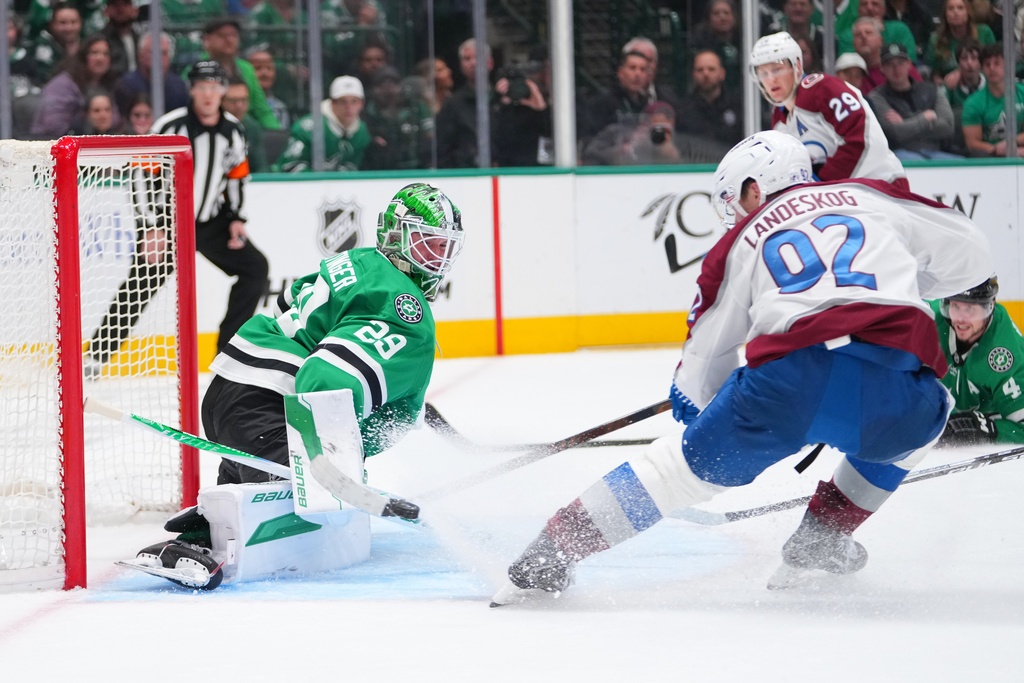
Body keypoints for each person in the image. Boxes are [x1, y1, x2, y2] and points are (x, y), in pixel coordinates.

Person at [491, 130, 994, 605]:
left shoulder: (737, 244)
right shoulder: (870, 196)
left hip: (787, 386)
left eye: (734, 201)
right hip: (896, 389)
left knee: (673, 471)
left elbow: (702, 366)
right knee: (932, 414)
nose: (734, 217)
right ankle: (824, 534)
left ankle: (548, 556)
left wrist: (709, 420)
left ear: (756, 189)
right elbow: (973, 256)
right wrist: (903, 280)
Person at [126, 182, 465, 588]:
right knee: (311, 495)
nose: (436, 260)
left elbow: (292, 310)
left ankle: (202, 530)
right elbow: (321, 380)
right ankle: (215, 549)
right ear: (395, 236)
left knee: (257, 473)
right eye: (427, 245)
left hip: (227, 390)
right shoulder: (403, 307)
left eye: (444, 248)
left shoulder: (358, 261)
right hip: (270, 406)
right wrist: (339, 458)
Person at [83, 60, 268, 376]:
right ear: (192, 90)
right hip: (168, 225)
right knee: (139, 286)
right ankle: (96, 358)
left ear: (222, 90)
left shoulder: (233, 130)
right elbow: (140, 176)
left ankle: (226, 352)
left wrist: (237, 217)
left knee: (256, 268)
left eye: (214, 87)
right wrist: (150, 227)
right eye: (202, 87)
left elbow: (237, 175)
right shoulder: (171, 126)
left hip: (211, 224)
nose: (209, 94)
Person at [751, 31, 908, 188]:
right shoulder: (779, 119)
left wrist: (822, 185)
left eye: (777, 70)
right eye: (763, 73)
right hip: (841, 199)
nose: (771, 79)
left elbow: (865, 140)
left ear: (797, 66)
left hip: (882, 187)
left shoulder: (821, 89)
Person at [930, 278, 1024, 447]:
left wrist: (986, 428)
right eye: (955, 306)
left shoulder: (1006, 355)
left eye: (970, 308)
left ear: (990, 306)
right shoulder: (931, 318)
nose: (960, 319)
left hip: (992, 420)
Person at [184, 17, 280, 130]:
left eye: (233, 35)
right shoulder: (195, 70)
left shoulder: (247, 68)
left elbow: (262, 109)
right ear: (207, 40)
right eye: (222, 36)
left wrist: (277, 133)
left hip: (244, 126)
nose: (229, 40)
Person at [867, 43, 959, 159]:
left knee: (962, 165)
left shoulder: (932, 90)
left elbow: (948, 127)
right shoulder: (877, 97)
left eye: (901, 63)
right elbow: (895, 133)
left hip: (935, 152)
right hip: (899, 154)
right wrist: (925, 117)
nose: (896, 69)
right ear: (882, 68)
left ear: (909, 64)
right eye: (890, 65)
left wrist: (905, 121)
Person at [273, 75, 371, 171]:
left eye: (354, 101)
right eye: (342, 101)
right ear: (332, 103)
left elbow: (353, 168)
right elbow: (289, 166)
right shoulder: (309, 127)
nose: (349, 107)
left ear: (362, 104)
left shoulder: (361, 132)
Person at [31, 34, 122, 137]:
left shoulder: (108, 84)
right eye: (94, 53)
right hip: (52, 143)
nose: (100, 58)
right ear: (83, 57)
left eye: (106, 54)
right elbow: (54, 125)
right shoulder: (62, 85)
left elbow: (114, 120)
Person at [435, 38, 496, 168]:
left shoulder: (502, 100)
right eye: (467, 59)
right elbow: (441, 147)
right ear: (461, 65)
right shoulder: (452, 105)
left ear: (490, 63)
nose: (473, 63)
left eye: (478, 57)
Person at [362, 66, 434, 170]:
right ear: (372, 89)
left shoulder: (416, 108)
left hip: (419, 169)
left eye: (393, 84)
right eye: (381, 85)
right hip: (380, 173)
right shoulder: (365, 115)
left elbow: (431, 138)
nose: (387, 90)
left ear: (401, 87)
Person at [579, 48, 654, 144]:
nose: (637, 74)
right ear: (620, 73)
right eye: (632, 68)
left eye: (642, 69)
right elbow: (591, 141)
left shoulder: (648, 104)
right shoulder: (603, 103)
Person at [962, 43, 1024, 157]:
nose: (992, 68)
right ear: (982, 68)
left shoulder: (1023, 93)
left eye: (997, 63)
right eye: (987, 64)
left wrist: (1011, 144)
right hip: (990, 158)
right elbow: (972, 143)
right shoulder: (972, 103)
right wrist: (997, 150)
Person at [114, 31, 189, 121]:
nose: (159, 58)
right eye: (153, 53)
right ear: (140, 55)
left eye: (164, 53)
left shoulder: (179, 86)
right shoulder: (125, 85)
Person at [675, 49, 743, 148]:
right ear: (694, 74)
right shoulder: (682, 110)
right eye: (700, 70)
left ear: (722, 73)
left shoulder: (739, 107)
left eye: (711, 69)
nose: (706, 74)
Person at [926, 0, 996, 83]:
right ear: (945, 14)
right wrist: (941, 83)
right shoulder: (936, 39)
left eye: (960, 8)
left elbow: (994, 64)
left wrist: (961, 74)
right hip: (949, 87)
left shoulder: (984, 32)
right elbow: (933, 70)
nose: (955, 12)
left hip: (982, 83)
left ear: (968, 12)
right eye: (951, 9)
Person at [852, 16, 923, 95]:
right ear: (853, 43)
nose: (863, 37)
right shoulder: (849, 72)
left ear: (881, 40)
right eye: (858, 35)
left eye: (868, 33)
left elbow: (922, 94)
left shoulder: (900, 65)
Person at [837, 0, 916, 60]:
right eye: (864, 4)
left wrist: (877, 32)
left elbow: (908, 61)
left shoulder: (899, 29)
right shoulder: (848, 35)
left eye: (875, 4)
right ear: (858, 10)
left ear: (884, 9)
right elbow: (848, 67)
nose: (869, 8)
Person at [223, 77, 268, 172]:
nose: (239, 106)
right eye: (233, 101)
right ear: (221, 101)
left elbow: (261, 167)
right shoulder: (209, 126)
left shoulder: (252, 127)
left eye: (244, 100)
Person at [32, 2, 82, 83]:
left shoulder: (86, 44)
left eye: (73, 22)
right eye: (63, 23)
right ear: (52, 24)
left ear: (80, 24)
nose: (69, 28)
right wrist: (69, 58)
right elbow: (47, 79)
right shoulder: (43, 46)